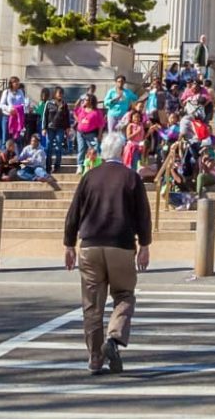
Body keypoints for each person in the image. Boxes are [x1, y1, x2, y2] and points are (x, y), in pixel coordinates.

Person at [63, 131, 151, 376]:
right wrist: (144, 245)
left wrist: (69, 245)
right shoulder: (131, 178)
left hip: (90, 244)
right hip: (121, 244)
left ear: (103, 152)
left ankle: (94, 357)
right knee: (124, 294)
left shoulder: (89, 177)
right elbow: (143, 215)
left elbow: (74, 213)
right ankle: (113, 338)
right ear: (123, 152)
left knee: (92, 305)